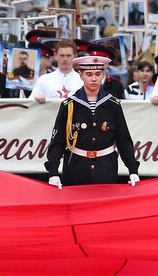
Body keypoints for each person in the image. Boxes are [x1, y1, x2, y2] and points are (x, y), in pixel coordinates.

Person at [43, 55, 139, 188]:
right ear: (80, 75)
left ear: (103, 75)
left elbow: (123, 139)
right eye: (88, 74)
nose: (94, 79)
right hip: (76, 167)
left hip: (105, 168)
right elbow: (58, 141)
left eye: (98, 74)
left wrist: (132, 169)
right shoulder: (70, 105)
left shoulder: (113, 104)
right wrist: (53, 172)